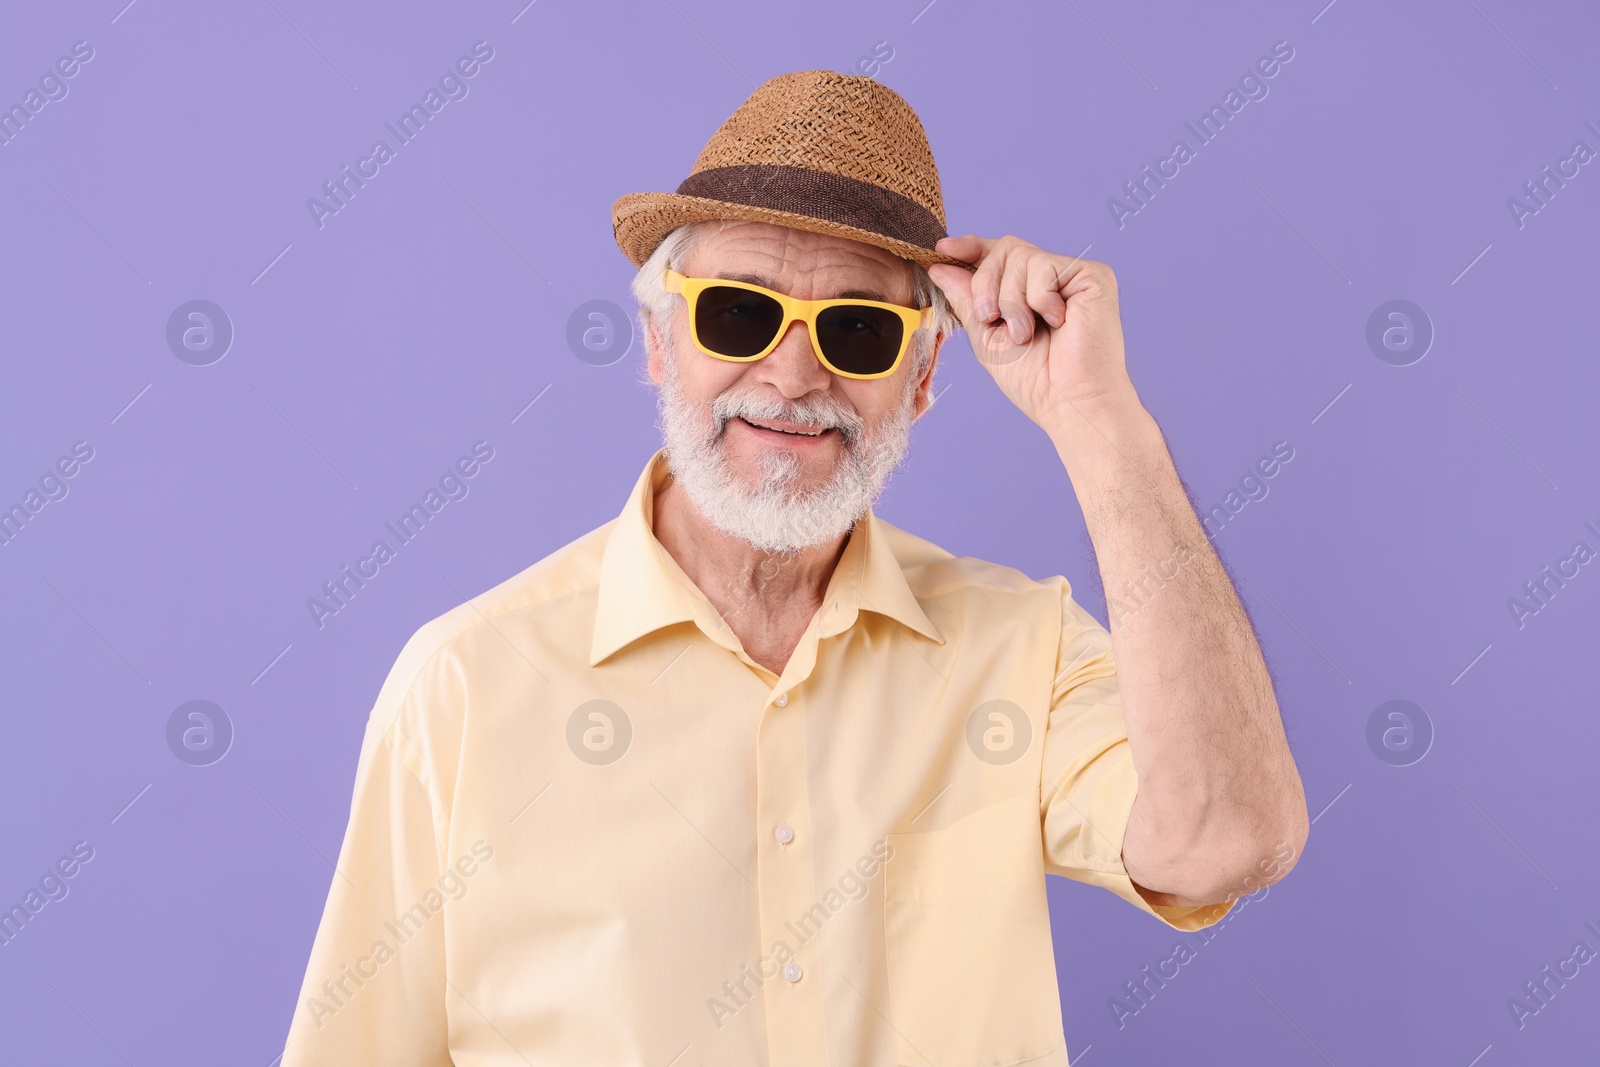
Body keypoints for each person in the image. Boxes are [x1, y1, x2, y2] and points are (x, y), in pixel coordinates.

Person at [282, 69, 1307, 1066]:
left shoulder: (1020, 649)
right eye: (739, 311)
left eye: (858, 330)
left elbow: (1227, 841)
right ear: (656, 338)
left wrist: (1097, 419)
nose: (791, 372)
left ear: (920, 376)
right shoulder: (463, 685)